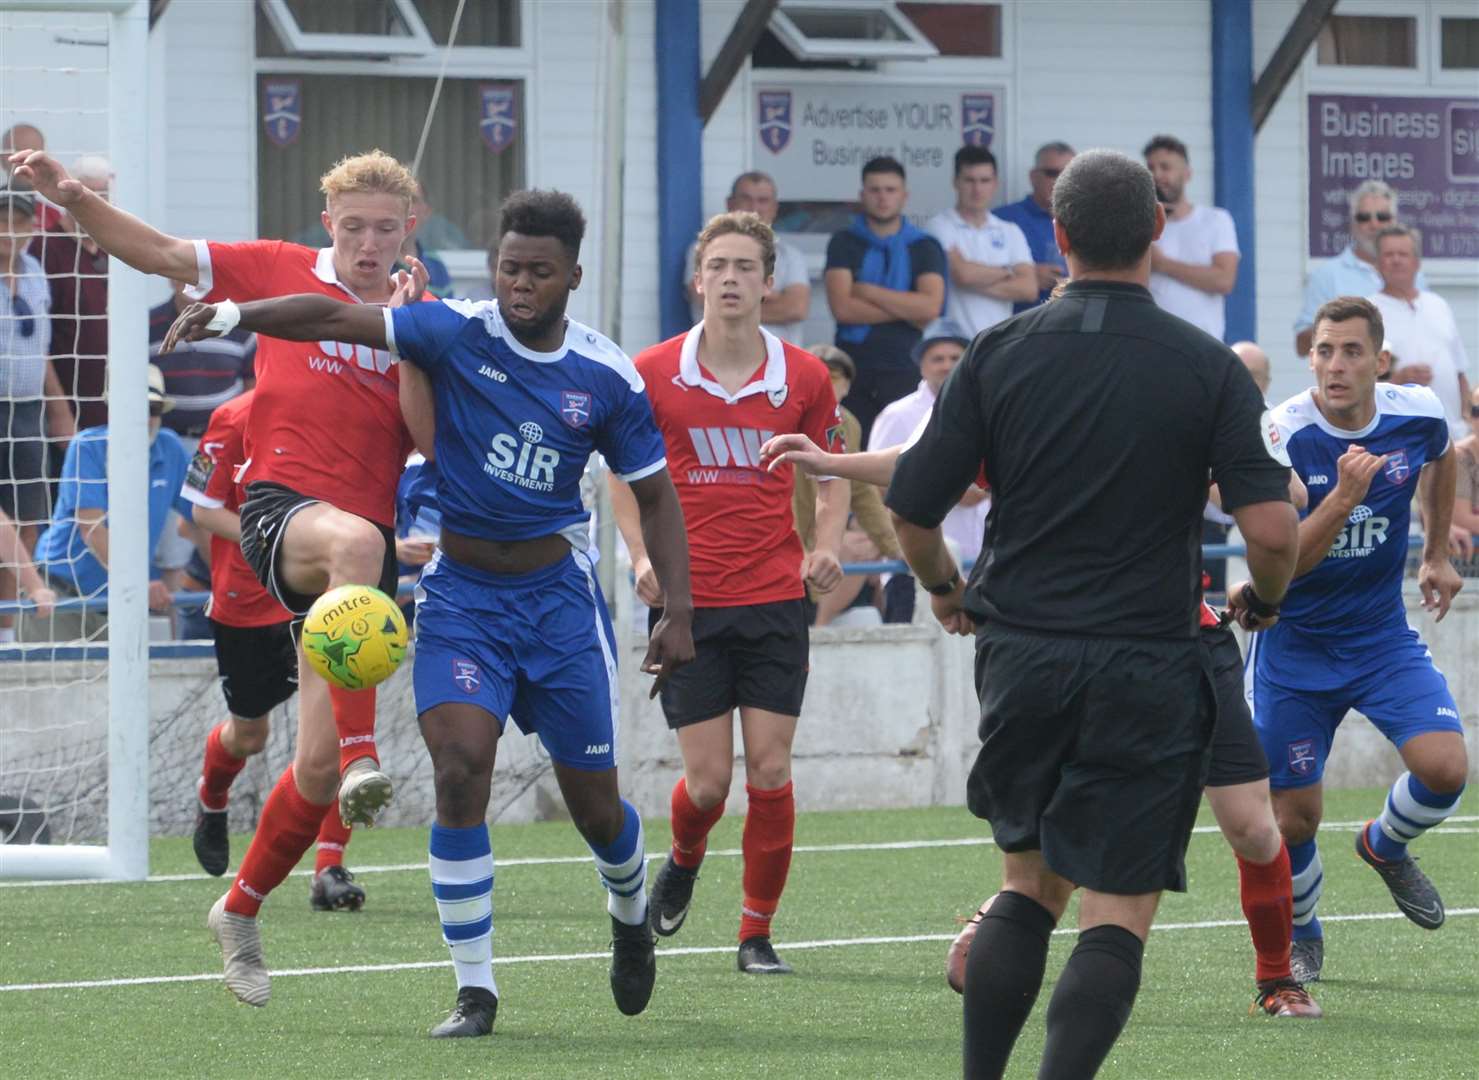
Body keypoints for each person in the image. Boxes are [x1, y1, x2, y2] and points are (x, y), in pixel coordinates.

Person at [162, 188, 696, 1037]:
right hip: (462, 598)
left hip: (557, 602)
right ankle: (474, 991)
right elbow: (330, 318)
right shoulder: (455, 327)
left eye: (539, 272)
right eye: (509, 267)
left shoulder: (606, 376)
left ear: (572, 277)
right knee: (457, 774)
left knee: (596, 808)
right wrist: (235, 308)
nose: (519, 285)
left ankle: (630, 912)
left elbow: (656, 496)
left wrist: (680, 608)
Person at [883, 149, 1299, 1078]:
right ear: (1157, 231)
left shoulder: (998, 350)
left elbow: (911, 509)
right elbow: (1271, 530)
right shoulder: (1205, 366)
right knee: (1115, 909)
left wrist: (947, 591)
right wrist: (1263, 599)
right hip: (1148, 661)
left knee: (1025, 888)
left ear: (1057, 236)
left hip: (1022, 654)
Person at [11, 145, 423, 1004]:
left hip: (363, 542)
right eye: (354, 227)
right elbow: (160, 253)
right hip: (285, 517)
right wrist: (76, 200)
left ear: (409, 229)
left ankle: (239, 908)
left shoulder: (421, 315)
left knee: (307, 773)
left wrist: (417, 342)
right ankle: (364, 755)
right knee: (354, 553)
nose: (368, 243)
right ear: (328, 224)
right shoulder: (277, 269)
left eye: (385, 228)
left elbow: (428, 439)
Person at [763, 417, 1321, 1025]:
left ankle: (1276, 979)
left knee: (1251, 826)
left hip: (1183, 642)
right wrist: (834, 462)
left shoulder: (1178, 391)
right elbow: (925, 462)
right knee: (1075, 820)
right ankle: (1020, 911)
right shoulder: (1029, 394)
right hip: (1064, 649)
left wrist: (1234, 476)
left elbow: (1283, 500)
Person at [611, 209, 847, 976]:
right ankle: (681, 858)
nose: (732, 279)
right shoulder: (651, 373)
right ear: (698, 279)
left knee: (771, 770)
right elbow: (620, 472)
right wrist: (640, 554)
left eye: (747, 267)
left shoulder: (805, 378)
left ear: (769, 282)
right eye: (720, 266)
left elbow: (830, 469)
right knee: (708, 783)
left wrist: (825, 546)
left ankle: (755, 934)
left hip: (774, 599)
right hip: (687, 605)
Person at [1233, 296, 1467, 987]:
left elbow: (1443, 454)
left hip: (1378, 639)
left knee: (1446, 769)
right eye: (1323, 352)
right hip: (1294, 648)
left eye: (1351, 352)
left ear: (1379, 360)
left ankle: (1383, 847)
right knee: (1293, 818)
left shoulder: (1414, 412)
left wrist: (1434, 553)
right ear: (1310, 358)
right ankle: (1303, 933)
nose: (1335, 366)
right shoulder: (1280, 434)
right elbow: (1277, 566)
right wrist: (1340, 498)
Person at [180, 389, 363, 911]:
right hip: (245, 602)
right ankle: (212, 797)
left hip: (310, 601)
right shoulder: (231, 417)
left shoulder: (332, 407)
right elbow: (202, 509)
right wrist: (278, 540)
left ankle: (329, 865)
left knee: (330, 735)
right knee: (250, 735)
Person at [32, 366, 192, 636]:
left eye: (152, 409)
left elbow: (200, 520)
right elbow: (92, 531)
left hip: (122, 602)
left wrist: (229, 583)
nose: (143, 417)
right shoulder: (87, 447)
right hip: (61, 596)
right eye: (133, 406)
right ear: (114, 408)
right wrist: (139, 583)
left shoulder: (171, 448)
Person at [869, 319, 985, 623]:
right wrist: (950, 487)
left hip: (983, 568)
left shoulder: (988, 408)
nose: (947, 366)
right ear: (921, 366)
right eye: (937, 358)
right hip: (917, 569)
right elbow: (875, 485)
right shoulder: (898, 415)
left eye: (955, 358)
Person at [824, 156, 946, 442]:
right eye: (875, 190)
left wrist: (867, 291)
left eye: (891, 190)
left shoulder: (924, 246)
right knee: (851, 449)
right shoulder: (844, 242)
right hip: (853, 366)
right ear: (862, 195)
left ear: (904, 196)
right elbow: (842, 309)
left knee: (905, 453)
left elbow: (930, 308)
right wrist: (907, 307)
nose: (883, 197)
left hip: (905, 363)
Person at [1, 180, 67, 641]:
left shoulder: (36, 271)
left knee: (27, 521)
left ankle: (5, 627)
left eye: (19, 221)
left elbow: (41, 348)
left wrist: (59, 410)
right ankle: (32, 591)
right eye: (2, 220)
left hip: (27, 409)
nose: (10, 229)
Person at [792, 344, 900, 626]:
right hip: (779, 542)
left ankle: (820, 626)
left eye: (835, 378)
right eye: (818, 376)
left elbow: (861, 491)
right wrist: (794, 548)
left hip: (820, 542)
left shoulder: (847, 424)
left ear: (848, 386)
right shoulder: (784, 416)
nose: (826, 384)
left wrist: (892, 544)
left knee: (857, 549)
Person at [1293, 180, 1425, 358]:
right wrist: (1342, 326)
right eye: (1364, 217)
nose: (1374, 224)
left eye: (1382, 217)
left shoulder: (1415, 276)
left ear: (1394, 221)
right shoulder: (1326, 276)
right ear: (1352, 223)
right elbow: (1301, 346)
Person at [1367, 225, 1471, 443]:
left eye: (1403, 254)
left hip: (1452, 435)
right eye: (1388, 254)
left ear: (1416, 262)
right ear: (1376, 264)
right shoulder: (1368, 312)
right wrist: (1399, 379)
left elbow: (1459, 373)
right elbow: (1361, 383)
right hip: (1400, 439)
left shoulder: (1438, 304)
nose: (1396, 260)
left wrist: (1468, 421)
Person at [31, 155, 112, 430]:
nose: (98, 204)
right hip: (64, 408)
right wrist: (59, 411)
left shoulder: (114, 250)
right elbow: (37, 337)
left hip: (111, 403)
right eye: (91, 194)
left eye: (105, 196)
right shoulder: (43, 250)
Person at [686, 172, 811, 342]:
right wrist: (772, 297)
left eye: (763, 201)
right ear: (730, 204)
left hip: (782, 364)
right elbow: (706, 300)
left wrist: (734, 303)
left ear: (775, 208)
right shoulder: (703, 250)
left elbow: (796, 308)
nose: (754, 208)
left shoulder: (792, 256)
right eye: (746, 199)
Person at [927, 147, 1035, 336]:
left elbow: (1028, 289)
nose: (977, 189)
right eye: (969, 180)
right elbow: (963, 275)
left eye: (984, 181)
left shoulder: (1010, 231)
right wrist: (1008, 271)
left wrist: (974, 276)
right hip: (953, 345)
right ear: (955, 182)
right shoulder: (939, 225)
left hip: (998, 345)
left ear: (995, 184)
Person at [1143, 135, 1240, 341]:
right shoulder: (1140, 225)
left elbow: (1224, 280)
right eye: (1150, 168)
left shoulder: (1215, 220)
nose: (1157, 175)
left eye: (1165, 167)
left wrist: (1163, 264)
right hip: (1154, 343)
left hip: (1204, 345)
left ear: (1187, 174)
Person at [995, 141, 1075, 312]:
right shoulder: (1003, 219)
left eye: (1068, 174)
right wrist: (1025, 275)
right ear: (1033, 176)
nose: (1060, 181)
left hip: (1072, 326)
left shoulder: (1088, 222)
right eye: (1052, 173)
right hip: (1019, 328)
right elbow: (976, 273)